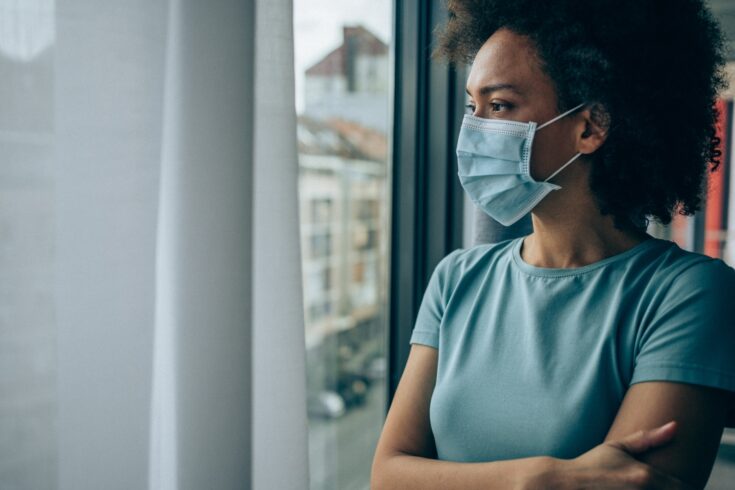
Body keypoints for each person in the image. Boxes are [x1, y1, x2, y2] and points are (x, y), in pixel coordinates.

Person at [371, 0, 735, 488]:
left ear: (590, 126)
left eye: (499, 105)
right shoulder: (456, 278)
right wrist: (540, 478)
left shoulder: (691, 294)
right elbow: (388, 475)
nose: (474, 129)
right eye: (471, 106)